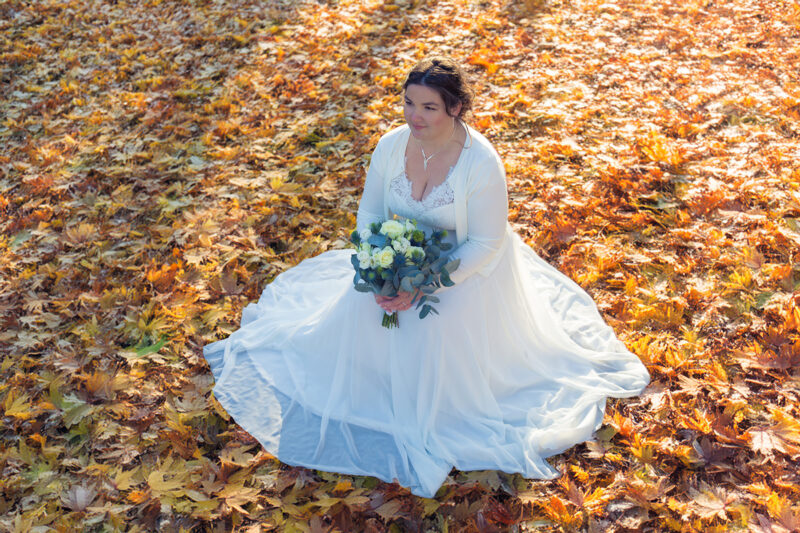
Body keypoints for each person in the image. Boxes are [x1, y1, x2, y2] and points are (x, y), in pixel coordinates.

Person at [202, 56, 651, 499]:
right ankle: (374, 380)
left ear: (455, 109)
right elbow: (371, 214)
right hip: (399, 255)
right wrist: (381, 270)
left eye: (429, 107)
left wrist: (425, 284)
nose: (415, 116)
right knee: (364, 302)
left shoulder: (481, 163)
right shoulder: (391, 145)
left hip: (465, 269)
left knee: (434, 324)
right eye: (409, 103)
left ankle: (430, 400)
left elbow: (484, 245)